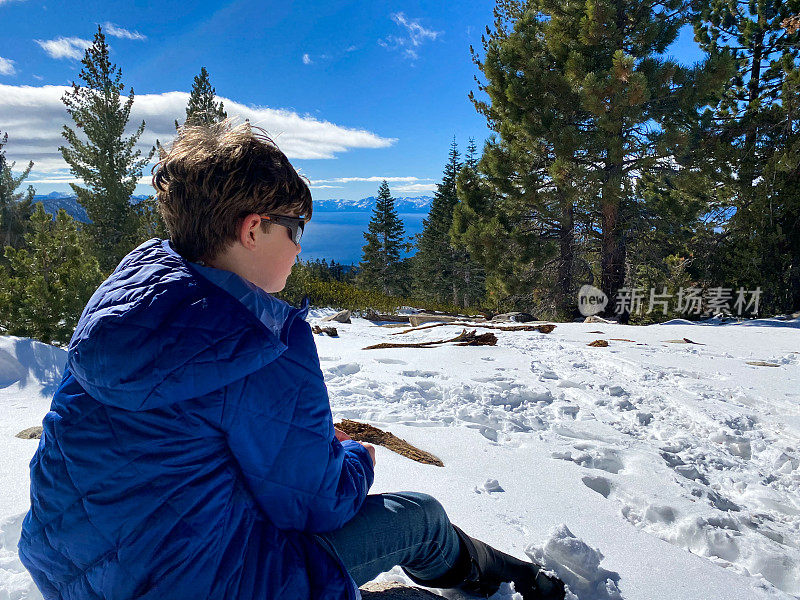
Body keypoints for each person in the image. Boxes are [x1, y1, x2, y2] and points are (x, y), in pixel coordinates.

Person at [18, 120, 565, 600]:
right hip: (203, 584)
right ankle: (505, 580)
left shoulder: (125, 304)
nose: (301, 245)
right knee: (418, 516)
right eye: (294, 227)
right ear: (252, 229)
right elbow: (315, 507)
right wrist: (357, 458)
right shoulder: (259, 342)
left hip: (69, 574)